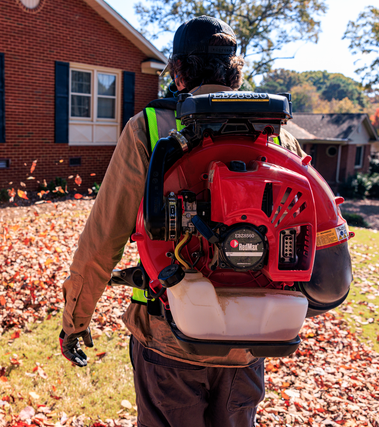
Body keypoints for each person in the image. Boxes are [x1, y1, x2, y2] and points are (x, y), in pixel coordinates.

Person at [59, 16, 305, 427]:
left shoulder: (150, 128)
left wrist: (75, 321)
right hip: (251, 338)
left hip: (168, 335)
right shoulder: (278, 134)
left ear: (178, 71)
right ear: (235, 72)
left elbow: (104, 237)